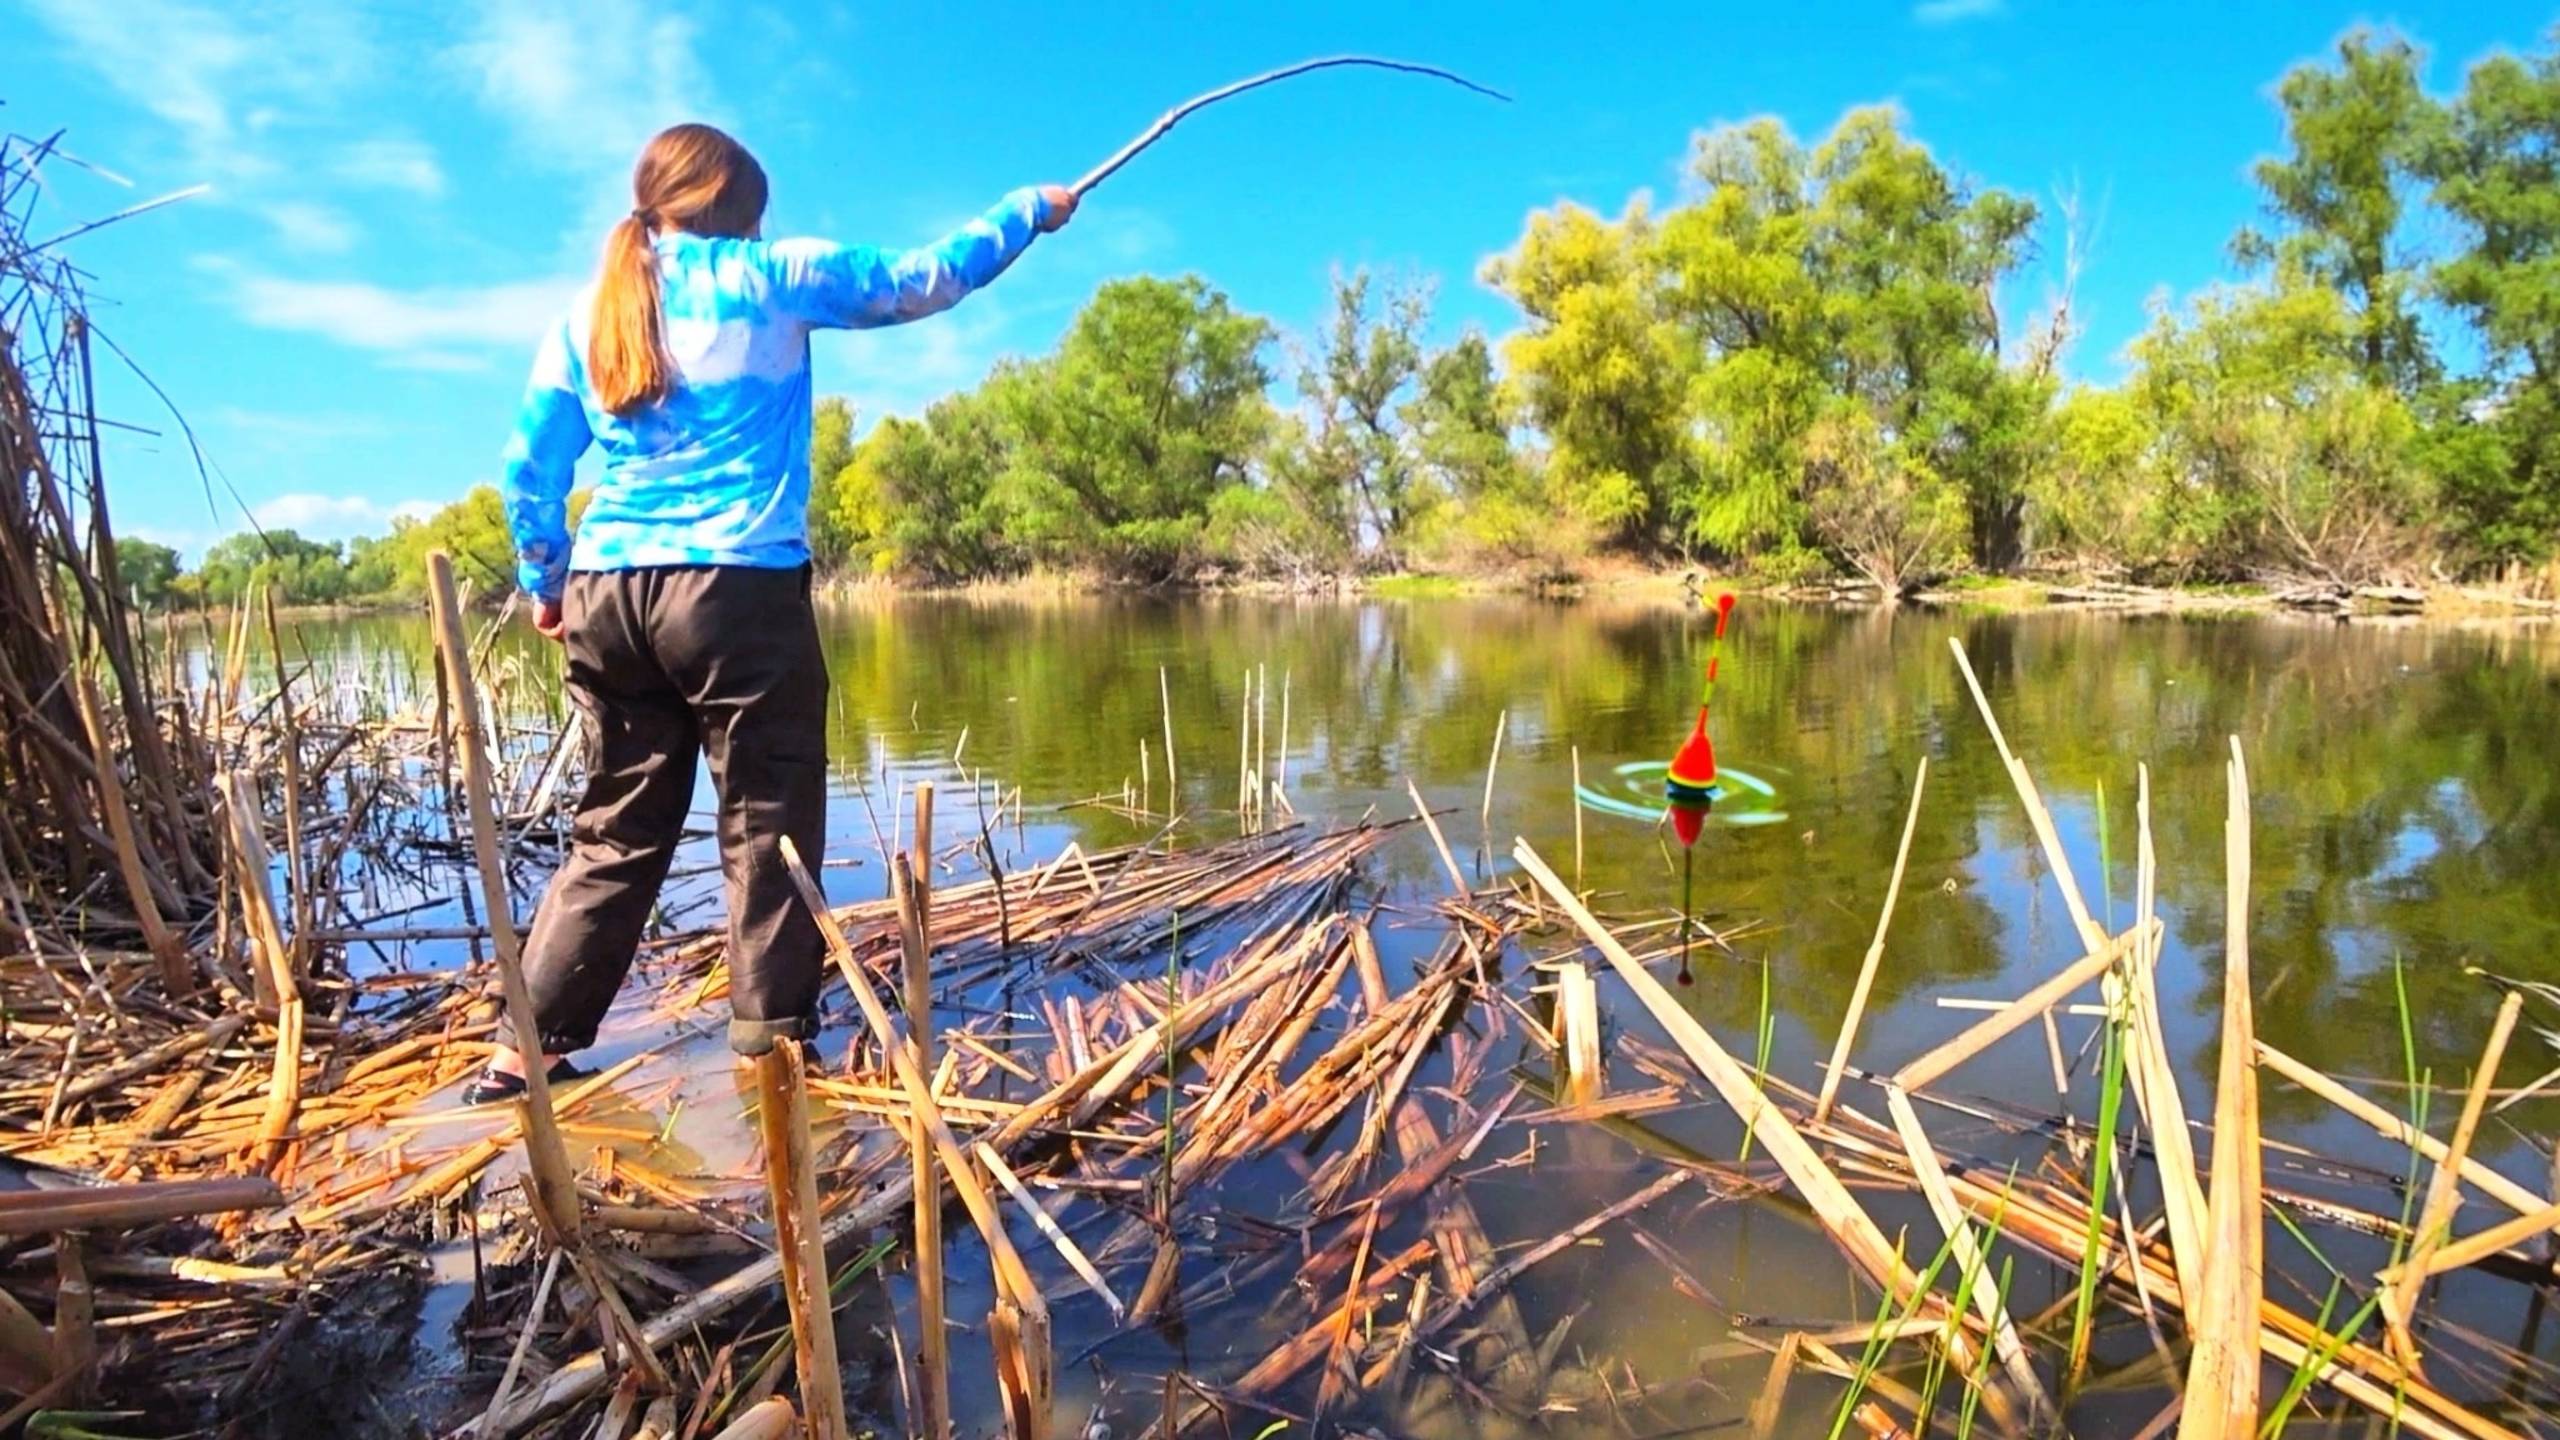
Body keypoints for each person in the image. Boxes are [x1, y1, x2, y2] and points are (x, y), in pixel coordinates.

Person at [467, 123, 1074, 1104]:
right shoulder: (768, 275)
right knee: (768, 820)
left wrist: (547, 582)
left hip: (610, 590)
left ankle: (523, 1049)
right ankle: (772, 1047)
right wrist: (1027, 215)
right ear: (743, 208)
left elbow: (527, 468)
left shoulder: (587, 314)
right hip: (734, 589)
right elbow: (923, 279)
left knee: (616, 829)